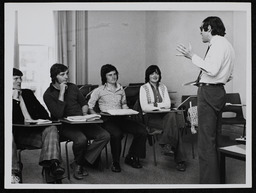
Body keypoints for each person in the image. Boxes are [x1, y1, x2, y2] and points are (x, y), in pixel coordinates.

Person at [176, 16, 235, 183]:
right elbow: (228, 75)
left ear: (209, 28)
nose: (200, 34)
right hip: (218, 92)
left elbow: (213, 69)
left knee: (205, 142)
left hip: (209, 94)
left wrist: (191, 56)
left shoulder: (216, 44)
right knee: (214, 138)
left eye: (201, 30)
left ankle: (209, 183)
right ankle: (217, 180)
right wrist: (206, 80)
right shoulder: (228, 45)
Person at [43, 63, 110, 180]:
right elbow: (58, 114)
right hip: (65, 125)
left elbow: (84, 103)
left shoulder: (73, 87)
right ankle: (79, 165)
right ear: (54, 77)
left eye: (67, 74)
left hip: (81, 121)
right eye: (62, 74)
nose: (66, 77)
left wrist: (84, 114)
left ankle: (79, 162)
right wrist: (62, 93)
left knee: (104, 135)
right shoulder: (48, 94)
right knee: (81, 139)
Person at [88, 64, 147, 173]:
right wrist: (96, 116)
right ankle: (116, 162)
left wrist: (127, 110)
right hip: (107, 119)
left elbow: (124, 104)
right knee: (116, 134)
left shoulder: (121, 89)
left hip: (121, 118)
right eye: (110, 75)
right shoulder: (99, 90)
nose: (113, 77)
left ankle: (132, 157)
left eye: (115, 74)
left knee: (142, 130)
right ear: (104, 77)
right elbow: (90, 106)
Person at [12, 68, 65, 183]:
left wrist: (40, 121)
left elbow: (44, 114)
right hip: (18, 136)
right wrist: (15, 99)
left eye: (20, 78)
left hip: (34, 132)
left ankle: (53, 165)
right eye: (15, 78)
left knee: (51, 128)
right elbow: (12, 121)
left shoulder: (27, 93)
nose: (19, 81)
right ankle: (52, 171)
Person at [139, 65, 187, 172]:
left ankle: (167, 145)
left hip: (164, 117)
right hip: (150, 118)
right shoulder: (143, 88)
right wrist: (160, 105)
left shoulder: (163, 87)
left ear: (160, 75)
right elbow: (145, 107)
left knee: (171, 116)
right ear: (148, 76)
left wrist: (154, 105)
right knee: (175, 126)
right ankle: (180, 161)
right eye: (152, 73)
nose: (155, 76)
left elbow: (168, 104)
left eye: (157, 73)